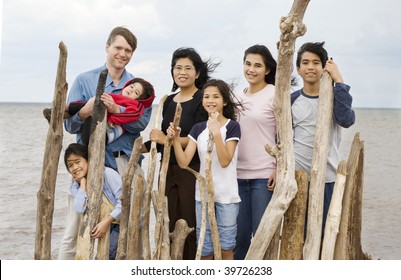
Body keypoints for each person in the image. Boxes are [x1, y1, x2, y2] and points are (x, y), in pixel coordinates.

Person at [142, 47, 218, 259]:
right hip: (167, 170)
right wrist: (139, 147)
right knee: (167, 220)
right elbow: (159, 137)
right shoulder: (167, 100)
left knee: (190, 222)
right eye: (177, 68)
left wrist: (168, 139)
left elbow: (201, 135)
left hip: (191, 170)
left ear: (198, 73)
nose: (182, 72)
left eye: (187, 68)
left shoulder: (202, 98)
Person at [167, 79, 242, 260]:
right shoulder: (197, 128)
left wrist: (216, 132)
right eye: (206, 96)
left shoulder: (232, 127)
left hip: (226, 196)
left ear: (224, 101)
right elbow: (184, 163)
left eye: (216, 96)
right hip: (203, 197)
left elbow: (225, 161)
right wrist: (176, 139)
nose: (210, 100)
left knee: (226, 247)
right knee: (205, 248)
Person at [63, 26, 152, 172]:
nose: (122, 54)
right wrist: (84, 112)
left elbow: (141, 123)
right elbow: (69, 127)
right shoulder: (83, 80)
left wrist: (117, 110)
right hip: (90, 161)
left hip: (125, 161)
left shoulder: (139, 88)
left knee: (131, 195)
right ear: (107, 47)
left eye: (128, 50)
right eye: (118, 48)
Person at [291, 41, 355, 233]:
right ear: (298, 69)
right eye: (306, 62)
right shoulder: (292, 100)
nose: (311, 67)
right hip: (298, 178)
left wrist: (340, 82)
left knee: (327, 232)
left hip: (328, 177)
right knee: (298, 235)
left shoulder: (334, 97)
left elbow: (346, 120)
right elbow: (283, 138)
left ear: (324, 67)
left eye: (316, 62)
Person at [234, 45, 277, 260]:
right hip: (237, 177)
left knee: (261, 237)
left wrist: (280, 169)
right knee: (238, 239)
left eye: (258, 65)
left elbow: (286, 137)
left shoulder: (275, 94)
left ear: (267, 70)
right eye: (248, 64)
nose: (251, 69)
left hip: (263, 177)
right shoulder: (235, 97)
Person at [44, 78, 155, 146]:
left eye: (135, 92)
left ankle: (60, 111)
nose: (131, 90)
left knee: (90, 129)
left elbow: (136, 119)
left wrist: (115, 113)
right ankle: (58, 111)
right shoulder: (84, 80)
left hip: (107, 134)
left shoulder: (136, 105)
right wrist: (85, 110)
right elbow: (70, 127)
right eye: (131, 86)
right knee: (82, 105)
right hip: (97, 115)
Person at [62, 143, 122, 260]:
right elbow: (80, 208)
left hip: (120, 222)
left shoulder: (107, 174)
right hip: (103, 225)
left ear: (88, 160)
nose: (75, 167)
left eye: (78, 162)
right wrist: (83, 186)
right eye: (70, 165)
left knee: (107, 256)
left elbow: (124, 202)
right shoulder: (75, 187)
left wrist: (106, 222)